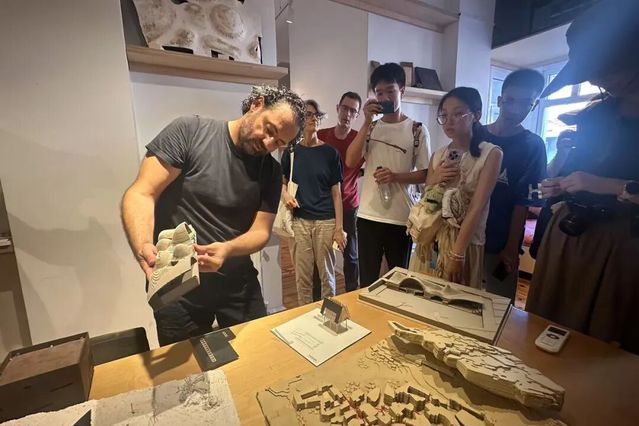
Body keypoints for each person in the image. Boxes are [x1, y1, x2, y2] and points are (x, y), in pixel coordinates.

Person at [121, 86, 305, 346]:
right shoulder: (189, 132)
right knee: (186, 366)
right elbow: (142, 193)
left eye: (278, 143)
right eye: (269, 129)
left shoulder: (271, 171)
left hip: (238, 283)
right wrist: (142, 245)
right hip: (178, 284)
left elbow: (260, 231)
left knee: (255, 352)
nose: (267, 143)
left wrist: (227, 250)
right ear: (257, 105)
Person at [525, 0, 639, 354]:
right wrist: (559, 186)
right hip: (569, 234)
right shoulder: (594, 115)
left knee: (600, 346)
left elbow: (597, 178)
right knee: (542, 331)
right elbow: (577, 168)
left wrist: (601, 184)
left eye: (603, 70)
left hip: (622, 246)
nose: (595, 80)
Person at [345, 63, 431, 287]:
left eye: (390, 91)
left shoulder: (417, 129)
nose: (384, 98)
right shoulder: (371, 128)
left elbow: (426, 174)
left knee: (399, 282)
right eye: (379, 93)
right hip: (368, 216)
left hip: (401, 217)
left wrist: (395, 177)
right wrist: (366, 121)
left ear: (402, 91)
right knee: (367, 282)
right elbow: (351, 161)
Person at [409, 87, 502, 288]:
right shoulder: (439, 154)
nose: (449, 121)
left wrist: (457, 254)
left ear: (476, 115)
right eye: (444, 115)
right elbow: (427, 197)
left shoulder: (491, 154)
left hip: (465, 244)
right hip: (431, 239)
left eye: (458, 114)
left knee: (457, 299)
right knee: (422, 295)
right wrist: (436, 177)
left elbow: (477, 207)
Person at [482, 69, 547, 300]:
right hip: (464, 238)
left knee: (498, 307)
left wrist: (511, 247)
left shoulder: (534, 146)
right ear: (500, 100)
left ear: (534, 105)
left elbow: (524, 201)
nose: (515, 110)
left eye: (525, 103)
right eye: (510, 101)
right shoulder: (476, 135)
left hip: (500, 242)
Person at [281, 100, 346, 305]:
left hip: (326, 221)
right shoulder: (291, 152)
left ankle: (329, 317)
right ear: (300, 119)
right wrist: (286, 196)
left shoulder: (330, 153)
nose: (313, 118)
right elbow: (281, 184)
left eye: (316, 114)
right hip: (299, 221)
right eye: (308, 114)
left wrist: (339, 228)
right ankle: (305, 316)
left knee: (327, 276)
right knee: (303, 277)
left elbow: (337, 194)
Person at [316, 91, 363, 293]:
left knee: (351, 255)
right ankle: (318, 298)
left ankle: (351, 294)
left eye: (353, 110)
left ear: (358, 114)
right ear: (338, 108)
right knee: (320, 254)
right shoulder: (321, 136)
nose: (348, 114)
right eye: (345, 108)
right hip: (323, 206)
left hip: (349, 205)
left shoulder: (359, 139)